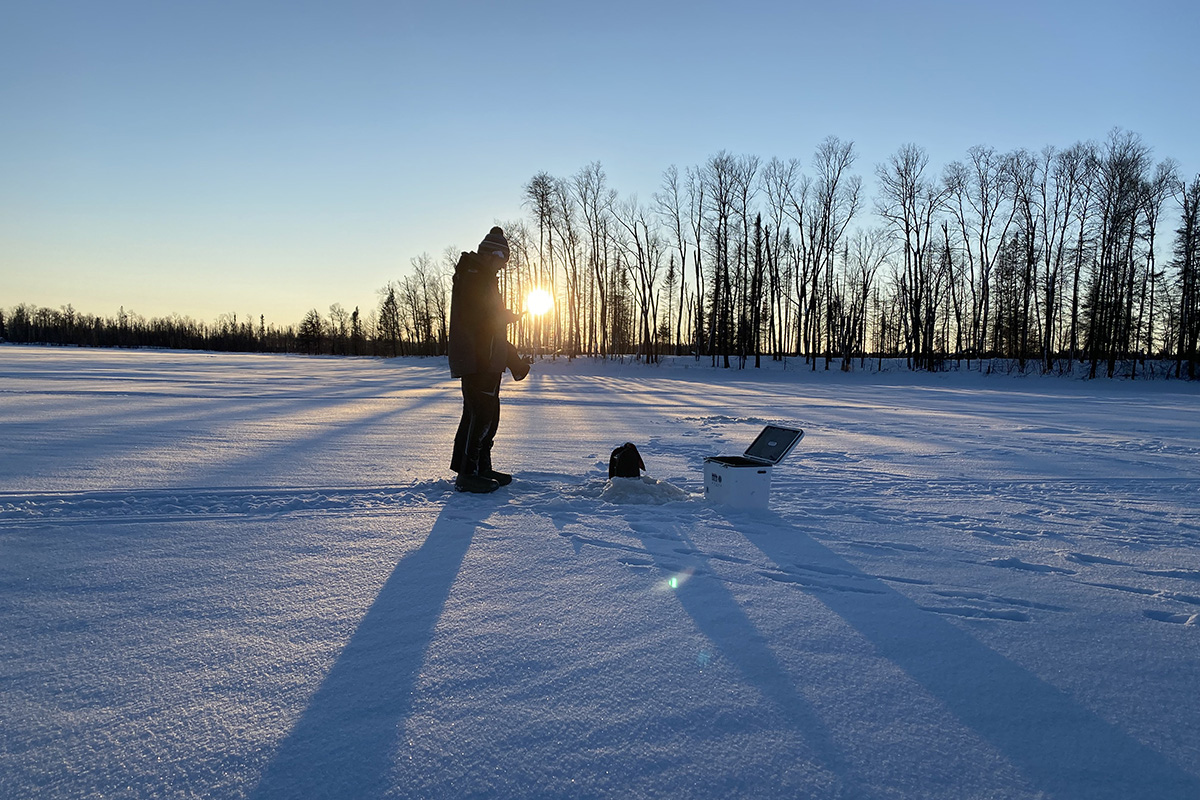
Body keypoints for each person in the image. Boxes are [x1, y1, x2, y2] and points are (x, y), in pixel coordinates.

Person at [448, 226, 530, 493]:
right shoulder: (474, 276)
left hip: (484, 357)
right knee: (481, 415)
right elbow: (479, 320)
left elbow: (487, 318)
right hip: (478, 358)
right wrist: (506, 317)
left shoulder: (480, 276)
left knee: (485, 415)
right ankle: (468, 474)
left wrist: (506, 319)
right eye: (502, 260)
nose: (503, 267)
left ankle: (479, 468)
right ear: (492, 254)